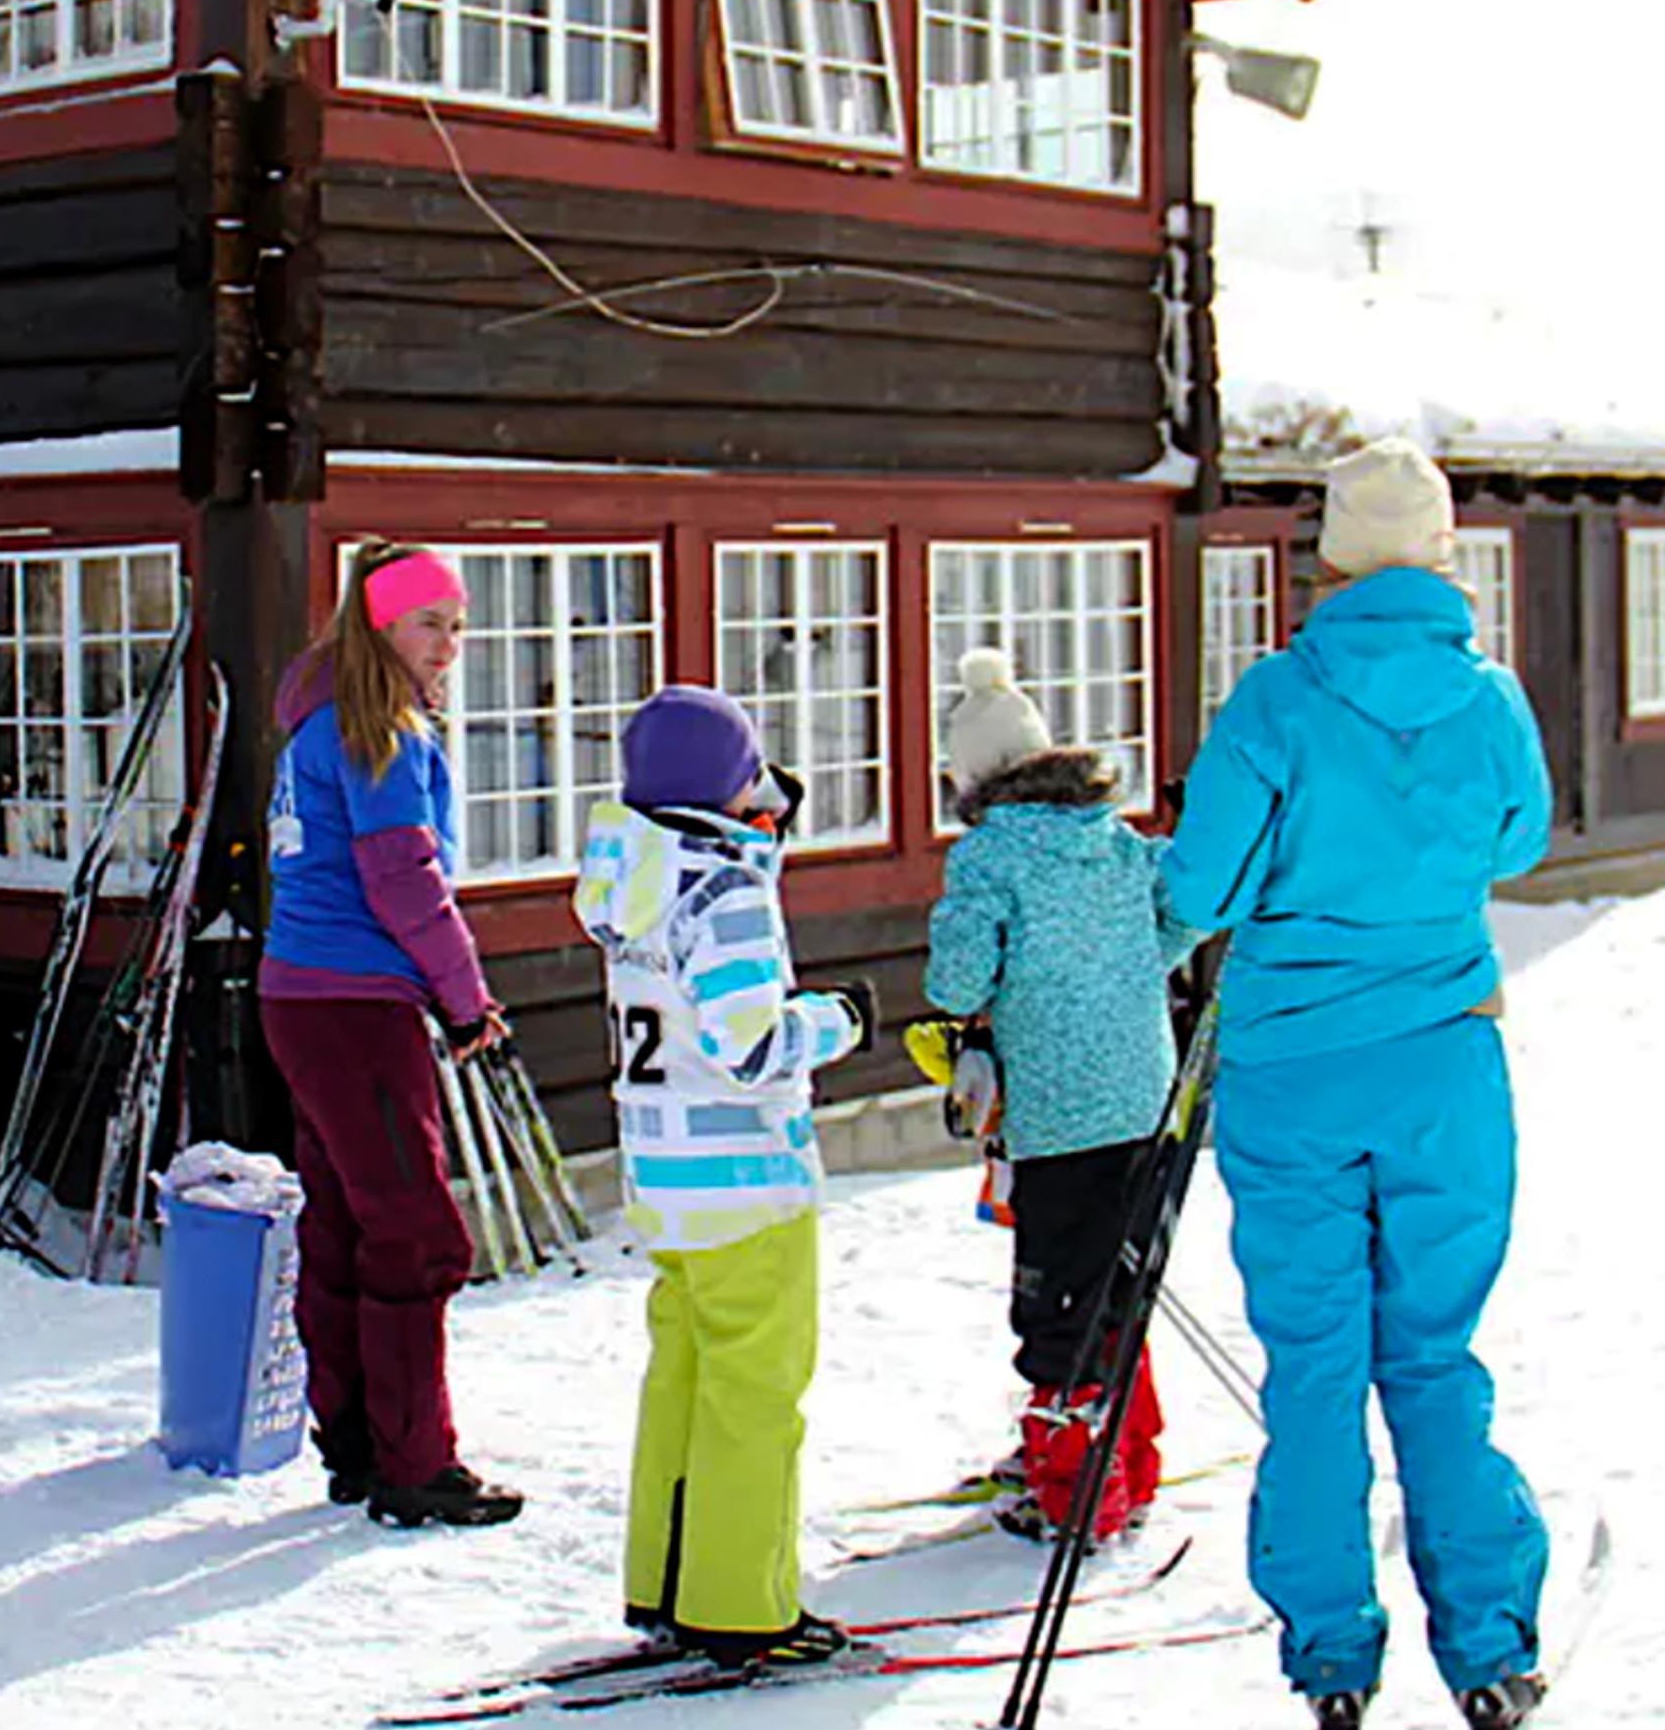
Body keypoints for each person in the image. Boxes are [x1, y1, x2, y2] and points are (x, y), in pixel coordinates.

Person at [1163, 438, 1557, 1730]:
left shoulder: (1274, 698)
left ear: (1327, 556)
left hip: (1293, 1070)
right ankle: (1490, 1646)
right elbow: (1519, 839)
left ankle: (1332, 1647)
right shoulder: (1490, 698)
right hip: (1444, 1055)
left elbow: (1201, 888)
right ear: (1441, 553)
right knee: (1434, 1353)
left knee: (1316, 1364)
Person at [572, 686, 867, 1668]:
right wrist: (835, 1020)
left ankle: (666, 1576)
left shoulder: (640, 885)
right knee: (755, 1392)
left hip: (665, 1174)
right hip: (747, 1177)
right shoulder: (725, 894)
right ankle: (742, 1603)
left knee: (685, 1377)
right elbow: (752, 1048)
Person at [256, 540, 521, 1529]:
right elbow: (406, 882)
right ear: (379, 626)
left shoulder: (319, 723)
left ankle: (357, 1442)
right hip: (357, 1003)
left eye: (457, 624)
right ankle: (414, 1463)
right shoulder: (378, 733)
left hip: (301, 996)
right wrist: (466, 1000)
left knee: (344, 1219)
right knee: (414, 1230)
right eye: (428, 623)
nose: (448, 644)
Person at [921, 645, 1194, 1544]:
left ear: (974, 777)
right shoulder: (1116, 838)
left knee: (1057, 1302)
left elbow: (957, 983)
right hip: (1144, 1098)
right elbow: (1185, 914)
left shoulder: (989, 857)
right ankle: (1131, 1460)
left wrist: (992, 977)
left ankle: (1075, 1488)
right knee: (1119, 1285)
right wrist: (1126, 974)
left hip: (1057, 1113)